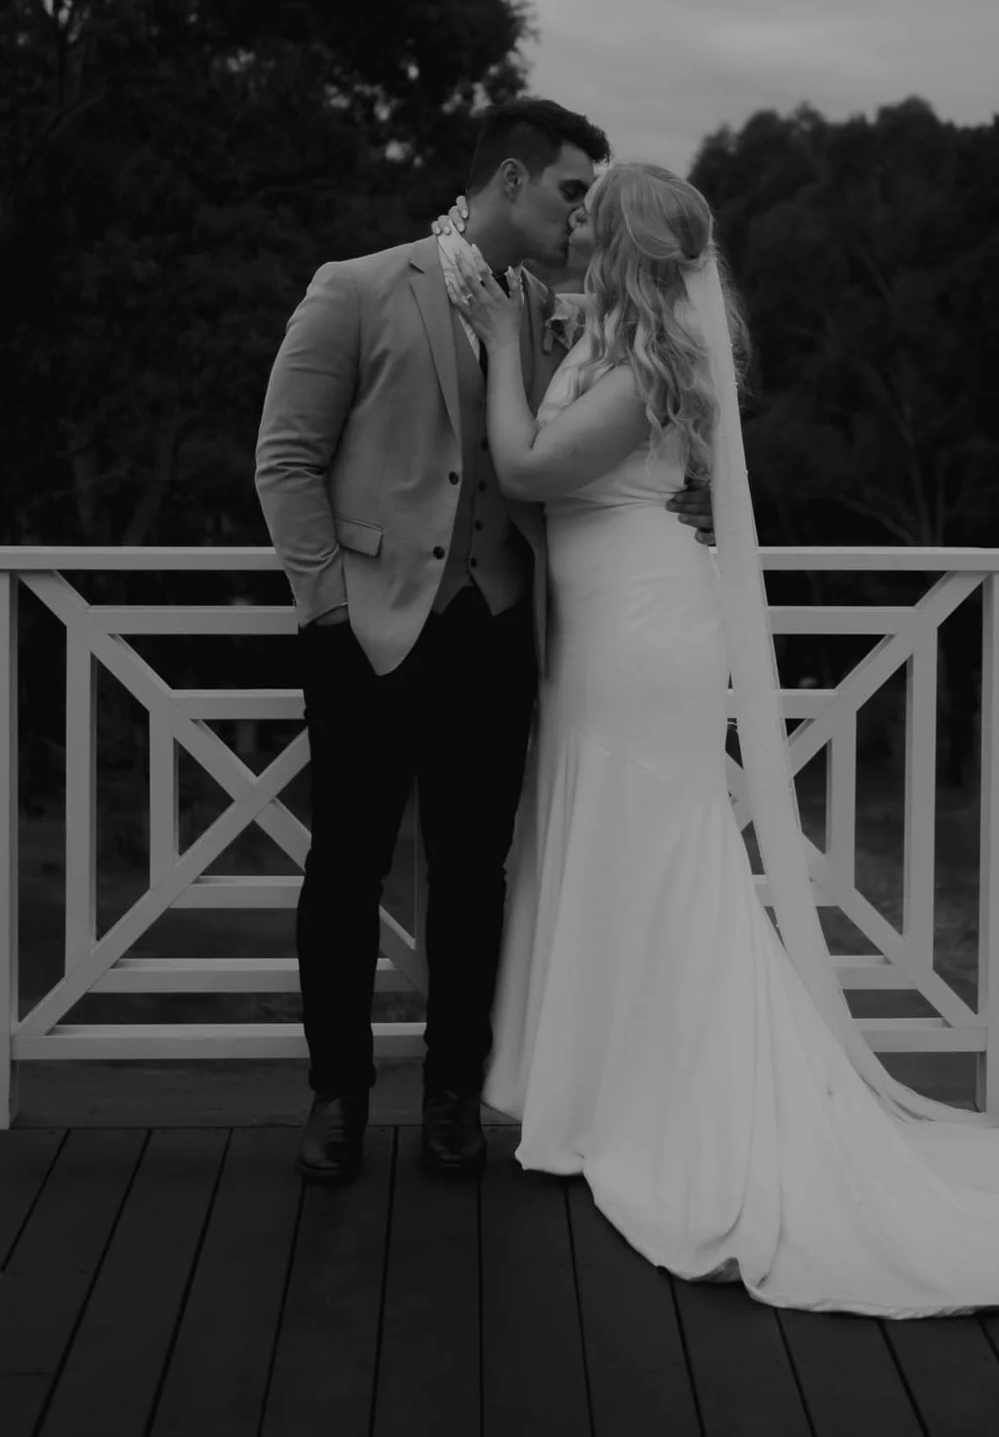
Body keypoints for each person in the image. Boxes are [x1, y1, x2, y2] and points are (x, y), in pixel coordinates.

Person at [444, 159, 999, 1318]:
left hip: (641, 634)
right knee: (618, 849)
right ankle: (603, 1088)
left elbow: (526, 465)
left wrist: (502, 346)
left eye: (587, 215)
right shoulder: (618, 337)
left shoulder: (644, 363)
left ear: (618, 243)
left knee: (662, 856)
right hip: (604, 627)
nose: (571, 224)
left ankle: (668, 1100)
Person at [253, 101, 710, 1186]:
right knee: (346, 867)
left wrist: (663, 517)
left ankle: (454, 1095)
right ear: (508, 179)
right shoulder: (358, 287)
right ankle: (338, 1095)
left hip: (500, 631)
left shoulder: (554, 313)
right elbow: (285, 461)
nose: (581, 215)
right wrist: (326, 611)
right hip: (367, 630)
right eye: (568, 191)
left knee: (474, 875)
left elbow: (590, 447)